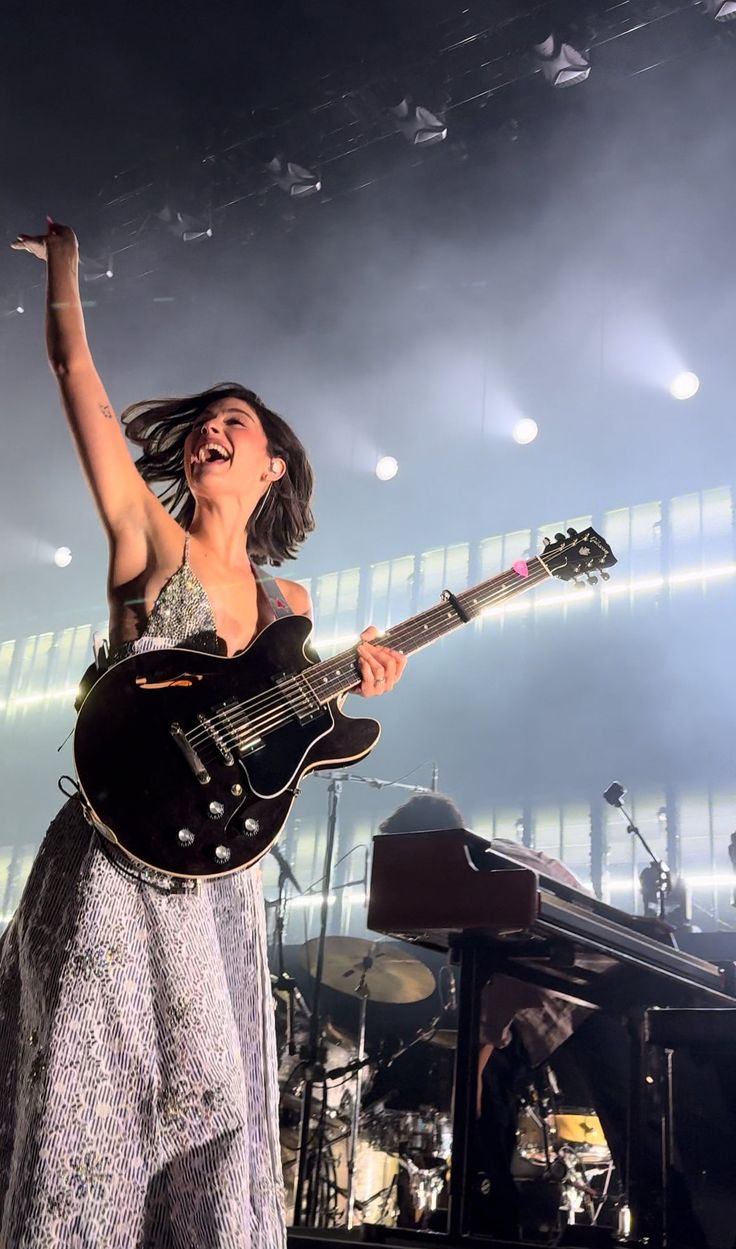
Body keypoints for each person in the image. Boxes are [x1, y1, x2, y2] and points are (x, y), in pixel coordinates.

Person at [0, 220, 407, 1249]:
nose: (209, 432)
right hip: (112, 868)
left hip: (220, 884)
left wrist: (357, 687)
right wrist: (64, 273)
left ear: (271, 465)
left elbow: (291, 750)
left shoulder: (291, 606)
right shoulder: (148, 535)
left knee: (213, 1112)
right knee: (90, 1107)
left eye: (234, 423)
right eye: (204, 422)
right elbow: (74, 375)